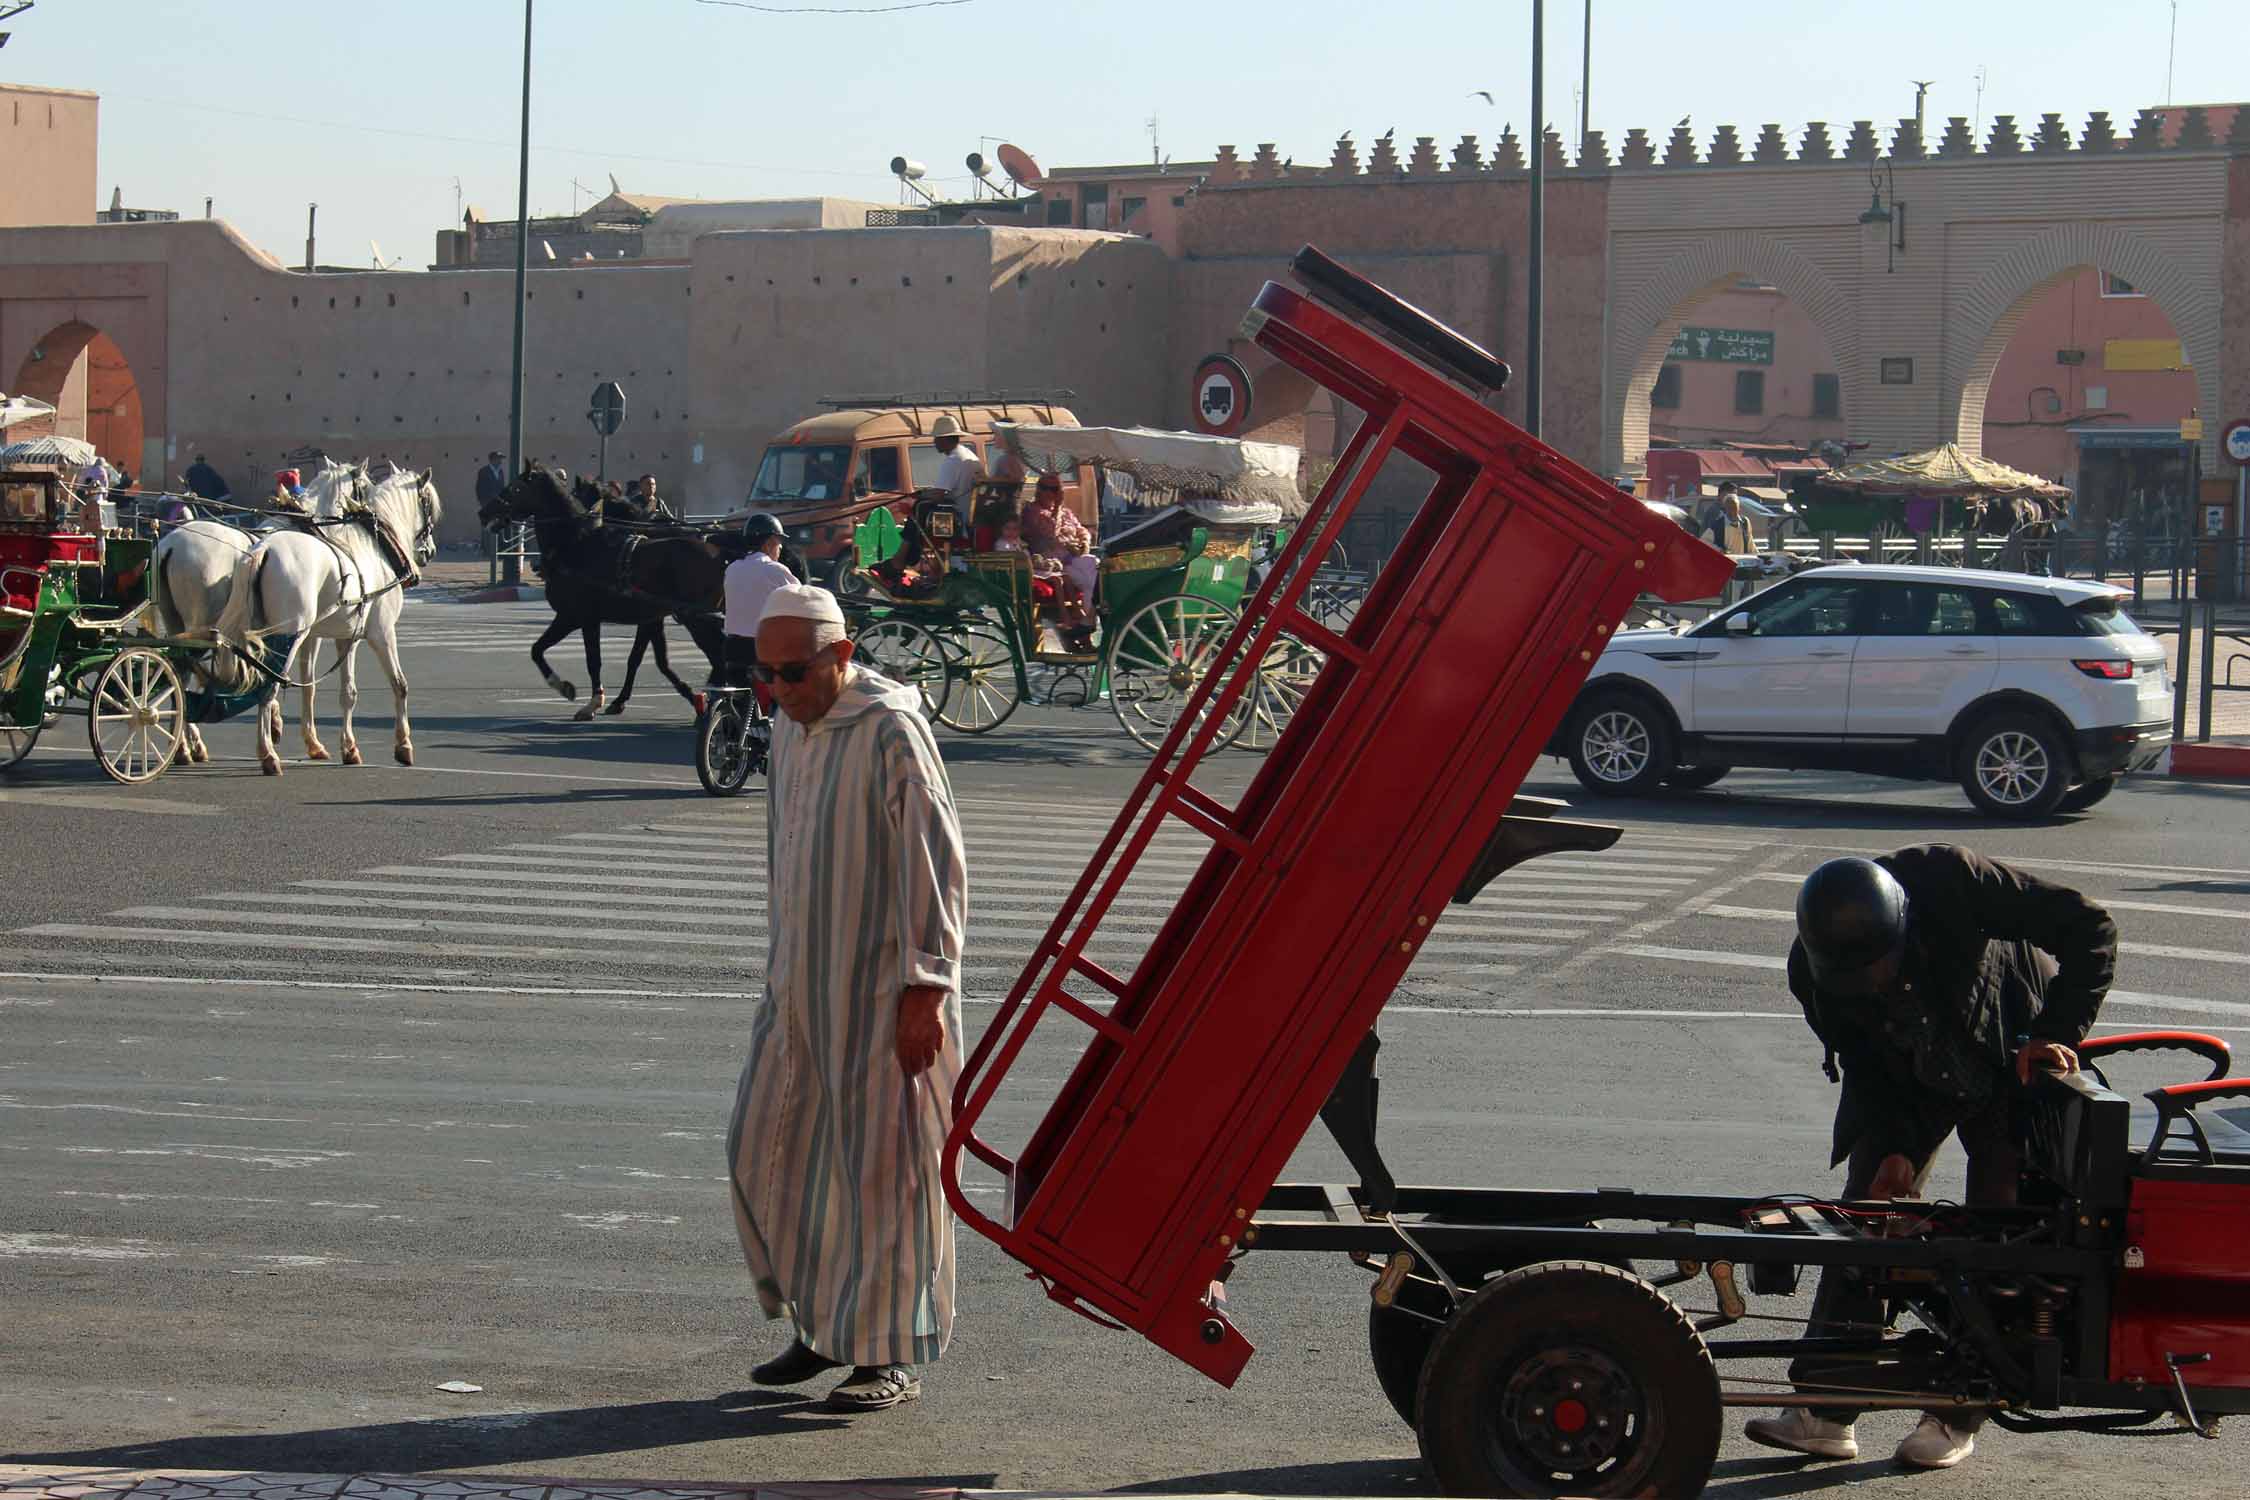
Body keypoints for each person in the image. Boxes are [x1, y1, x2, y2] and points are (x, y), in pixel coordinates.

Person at [1745, 846, 2117, 1471]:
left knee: (2002, 1233)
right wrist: (1893, 1148)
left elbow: (2092, 929)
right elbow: (1864, 1057)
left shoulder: (1951, 879)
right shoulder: (1812, 972)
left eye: (1882, 968)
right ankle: (1826, 1408)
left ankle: (1954, 1411)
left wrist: (2055, 1032)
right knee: (1866, 1222)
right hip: (1910, 1075)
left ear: (1903, 922)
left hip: (2009, 1052)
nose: (1876, 983)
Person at [729, 582, 968, 1413]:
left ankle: (887, 1352)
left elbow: (934, 861)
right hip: (798, 987)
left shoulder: (889, 728)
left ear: (840, 655)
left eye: (793, 672)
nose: (779, 691)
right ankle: (821, 1325)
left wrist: (926, 988)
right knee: (772, 1149)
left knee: (883, 1174)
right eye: (766, 676)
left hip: (878, 991)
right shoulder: (790, 729)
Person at [721, 513, 795, 689]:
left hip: (733, 647)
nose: (780, 548)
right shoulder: (775, 570)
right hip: (763, 649)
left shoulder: (732, 568)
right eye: (779, 542)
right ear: (769, 543)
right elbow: (801, 601)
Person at [1023, 474, 1097, 645]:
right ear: (1039, 490)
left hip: (1074, 557)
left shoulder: (1067, 512)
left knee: (1094, 566)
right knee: (1089, 579)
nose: (1052, 493)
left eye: (1056, 489)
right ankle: (1087, 621)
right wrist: (1056, 509)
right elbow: (1049, 533)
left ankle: (1088, 619)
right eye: (1048, 489)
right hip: (1053, 562)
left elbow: (1081, 530)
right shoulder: (1032, 512)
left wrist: (1084, 543)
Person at [930, 415, 983, 525]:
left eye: (936, 438)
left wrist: (920, 496)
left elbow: (937, 496)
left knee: (916, 514)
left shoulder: (952, 460)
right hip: (974, 513)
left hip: (956, 515)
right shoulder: (968, 453)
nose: (934, 442)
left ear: (944, 439)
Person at [1695, 480, 1743, 549]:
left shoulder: (1728, 512)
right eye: (1732, 495)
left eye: (1735, 496)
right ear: (1721, 495)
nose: (1734, 499)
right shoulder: (1715, 512)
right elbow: (1710, 538)